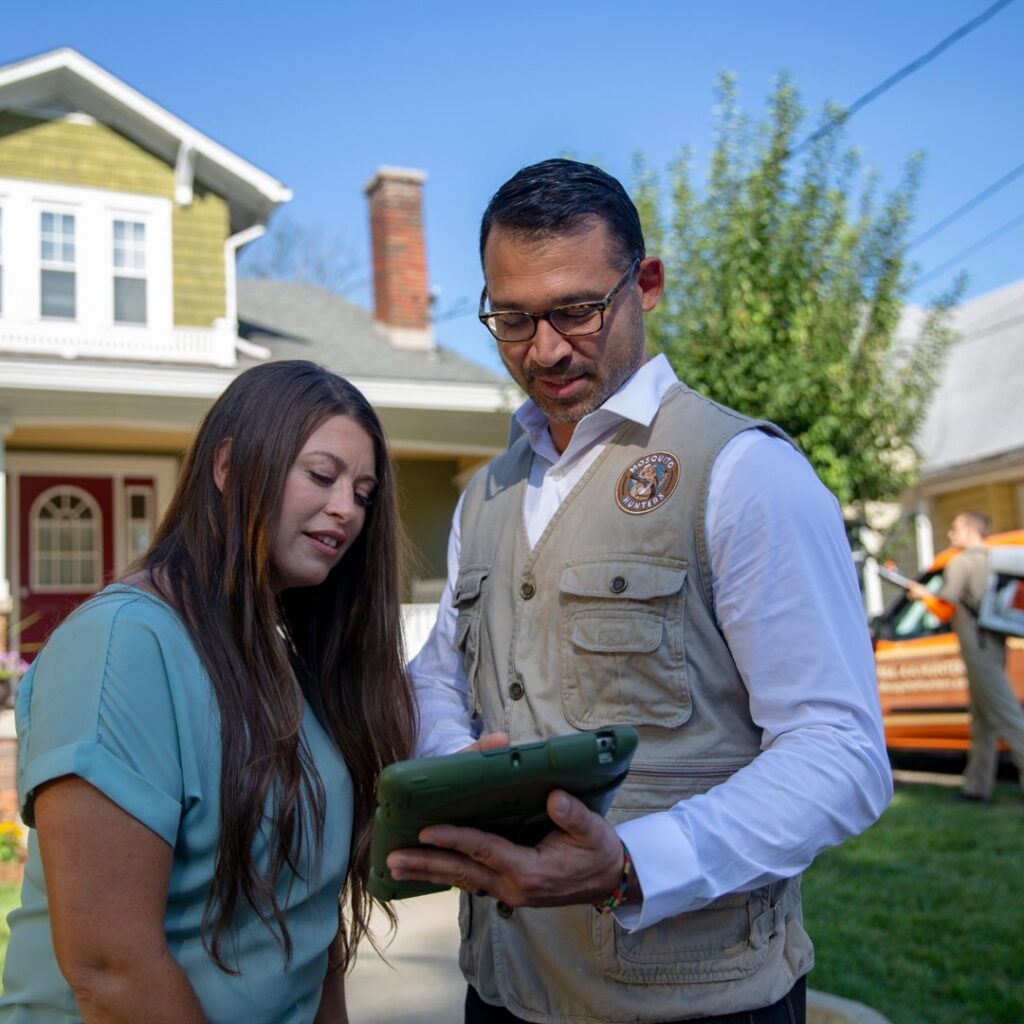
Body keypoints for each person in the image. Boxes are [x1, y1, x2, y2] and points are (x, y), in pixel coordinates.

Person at [388, 159, 893, 1024]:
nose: (544, 349)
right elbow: (442, 671)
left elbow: (841, 753)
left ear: (645, 285)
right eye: (511, 319)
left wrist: (632, 863)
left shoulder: (744, 472)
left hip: (693, 1002)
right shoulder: (486, 494)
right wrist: (450, 765)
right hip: (502, 990)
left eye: (576, 311)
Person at [0, 360, 415, 1024]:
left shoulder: (278, 663)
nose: (347, 509)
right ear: (227, 466)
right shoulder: (123, 645)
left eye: (363, 493)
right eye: (321, 475)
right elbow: (110, 968)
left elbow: (309, 926)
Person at [907, 511, 1024, 802]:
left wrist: (922, 595)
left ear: (971, 529)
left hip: (977, 647)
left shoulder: (960, 562)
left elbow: (945, 607)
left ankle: (978, 786)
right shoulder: (993, 560)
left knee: (1007, 716)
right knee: (982, 720)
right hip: (995, 644)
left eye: (955, 527)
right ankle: (976, 787)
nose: (950, 533)